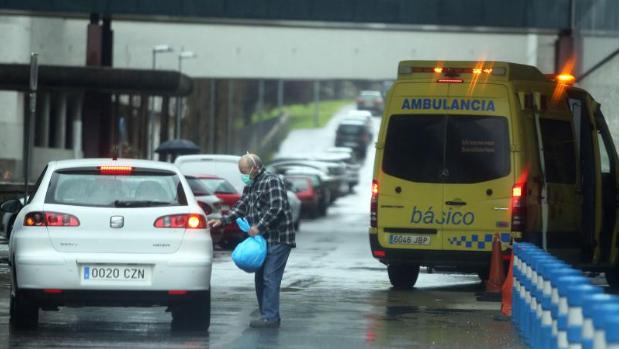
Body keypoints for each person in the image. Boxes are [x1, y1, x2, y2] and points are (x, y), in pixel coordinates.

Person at [207, 153, 296, 328]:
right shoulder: (252, 184)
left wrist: (259, 227)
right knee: (260, 277)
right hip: (262, 239)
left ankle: (270, 318)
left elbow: (276, 207)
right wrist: (223, 220)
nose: (243, 175)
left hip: (278, 237)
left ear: (255, 168)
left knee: (270, 277)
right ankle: (268, 315)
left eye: (245, 171)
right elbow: (242, 205)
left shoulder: (271, 181)